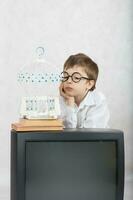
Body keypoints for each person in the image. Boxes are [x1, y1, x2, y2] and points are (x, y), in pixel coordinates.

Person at [59, 53, 110, 128]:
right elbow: (63, 133)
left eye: (76, 78)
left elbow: (88, 136)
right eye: (66, 76)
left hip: (96, 139)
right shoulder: (61, 99)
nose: (68, 81)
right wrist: (70, 103)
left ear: (89, 84)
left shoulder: (98, 100)